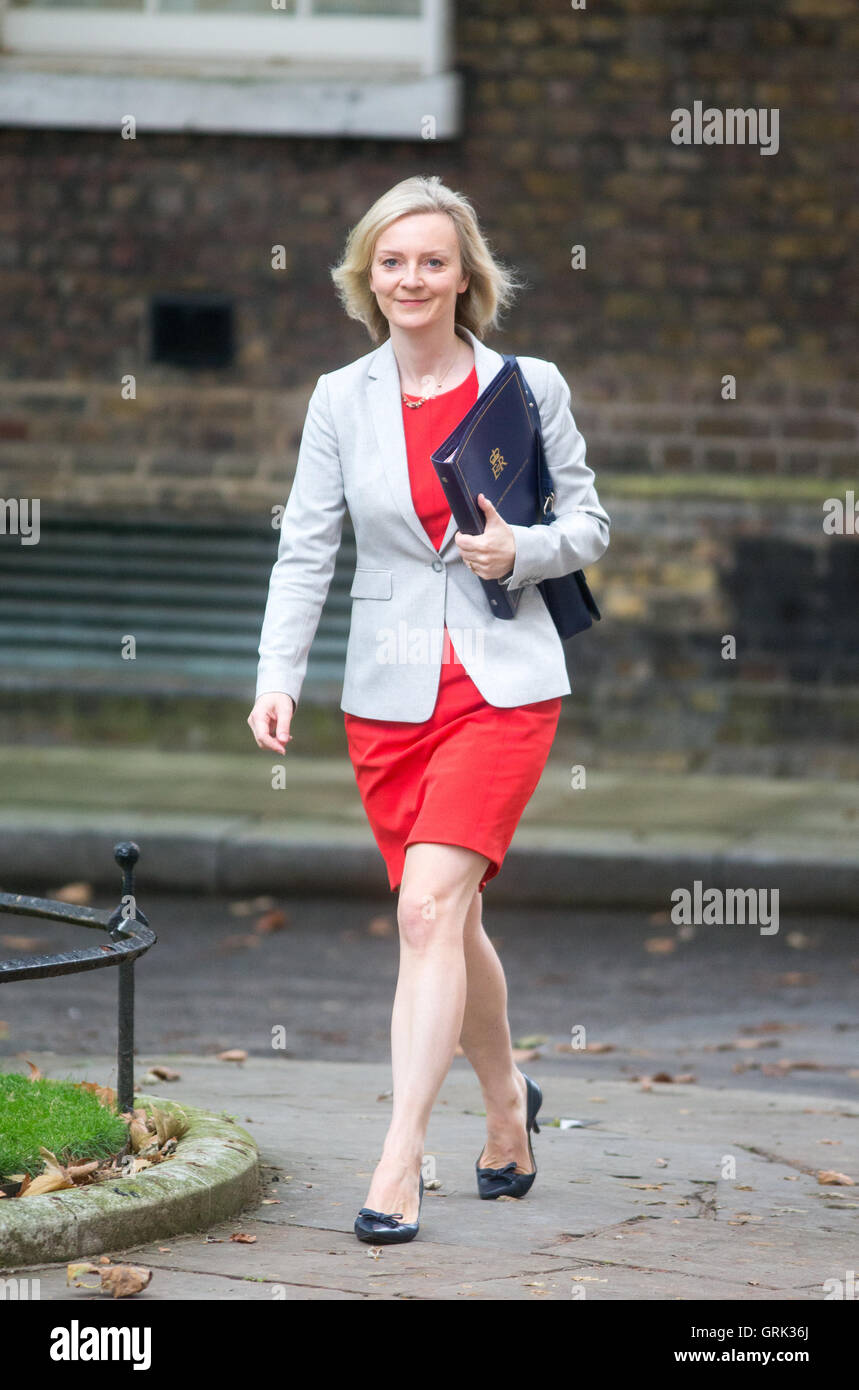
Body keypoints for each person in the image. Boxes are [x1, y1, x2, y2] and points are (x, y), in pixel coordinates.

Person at [248, 174, 610, 1245]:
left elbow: (586, 522)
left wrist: (522, 549)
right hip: (385, 694)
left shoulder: (527, 384)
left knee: (422, 914)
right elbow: (306, 546)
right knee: (450, 917)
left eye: (432, 261)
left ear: (466, 277)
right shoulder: (338, 397)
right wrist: (278, 676)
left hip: (503, 682)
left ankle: (400, 1156)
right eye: (391, 262)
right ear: (369, 278)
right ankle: (509, 1104)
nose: (411, 278)